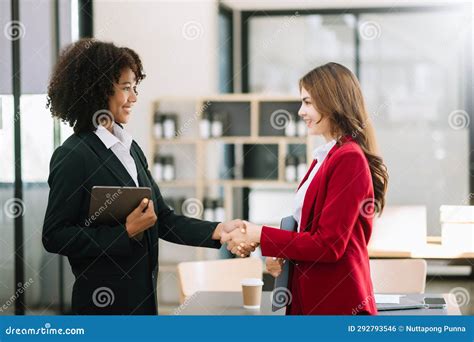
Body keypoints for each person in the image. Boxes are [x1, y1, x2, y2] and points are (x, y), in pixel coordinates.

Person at [42, 39, 252, 315]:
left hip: (142, 299)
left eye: (135, 88)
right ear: (98, 90)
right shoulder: (73, 155)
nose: (134, 98)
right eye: (126, 88)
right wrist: (124, 232)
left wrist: (219, 231)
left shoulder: (130, 149)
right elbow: (55, 235)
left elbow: (162, 219)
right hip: (102, 306)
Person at [222, 62, 389, 315]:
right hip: (310, 297)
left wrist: (259, 234)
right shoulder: (325, 156)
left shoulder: (348, 158)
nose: (300, 111)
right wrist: (282, 256)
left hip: (336, 303)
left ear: (333, 102)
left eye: (308, 102)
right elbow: (307, 230)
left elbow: (329, 245)